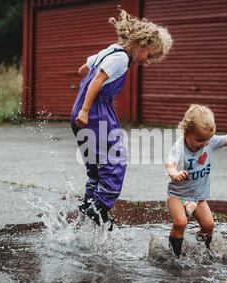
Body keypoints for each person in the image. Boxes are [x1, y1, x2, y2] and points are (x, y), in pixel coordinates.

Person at [71, 9, 173, 230]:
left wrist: (81, 107)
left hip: (80, 109)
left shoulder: (111, 50)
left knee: (97, 165)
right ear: (140, 44)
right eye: (149, 54)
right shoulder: (120, 58)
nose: (148, 61)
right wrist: (86, 110)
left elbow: (85, 68)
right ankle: (99, 207)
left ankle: (90, 201)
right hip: (95, 112)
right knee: (116, 160)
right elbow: (97, 80)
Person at [165, 104, 227, 258]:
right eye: (199, 140)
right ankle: (174, 257)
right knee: (180, 223)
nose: (205, 144)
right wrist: (174, 174)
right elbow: (170, 164)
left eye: (208, 139)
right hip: (177, 195)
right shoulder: (179, 147)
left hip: (198, 197)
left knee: (208, 226)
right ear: (186, 132)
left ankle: (199, 249)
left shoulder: (207, 142)